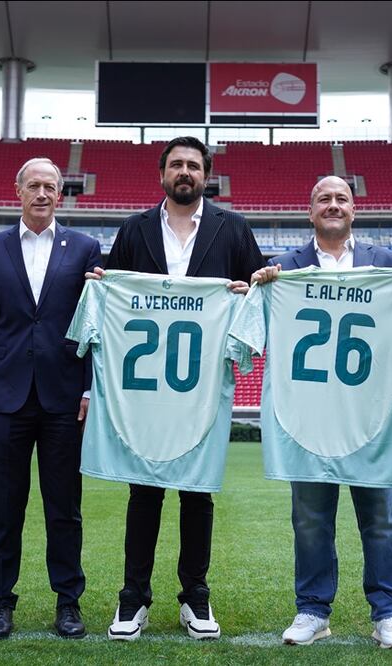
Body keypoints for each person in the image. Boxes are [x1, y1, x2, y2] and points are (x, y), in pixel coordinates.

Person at [89, 136, 263, 640]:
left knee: (197, 493)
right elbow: (114, 294)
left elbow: (259, 297)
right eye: (176, 165)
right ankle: (133, 596)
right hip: (146, 389)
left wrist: (244, 293)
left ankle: (195, 595)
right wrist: (102, 285)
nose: (185, 172)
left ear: (206, 175)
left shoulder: (233, 228)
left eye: (193, 165)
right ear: (162, 173)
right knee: (143, 490)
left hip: (203, 386)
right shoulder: (134, 228)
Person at [250, 176, 392, 648]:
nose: (333, 205)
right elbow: (255, 325)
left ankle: (387, 612)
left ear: (354, 209)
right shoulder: (283, 268)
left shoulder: (387, 264)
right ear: (310, 211)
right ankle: (313, 610)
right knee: (310, 521)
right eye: (323, 199)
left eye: (341, 199)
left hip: (367, 417)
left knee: (381, 519)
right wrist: (256, 288)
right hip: (309, 419)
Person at [0, 157, 101, 640]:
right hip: (7, 397)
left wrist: (89, 386)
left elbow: (93, 325)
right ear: (17, 190)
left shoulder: (85, 248)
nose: (42, 193)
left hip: (64, 397)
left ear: (60, 195)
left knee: (64, 508)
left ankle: (68, 602)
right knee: (5, 508)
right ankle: (0, 604)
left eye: (50, 186)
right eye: (34, 185)